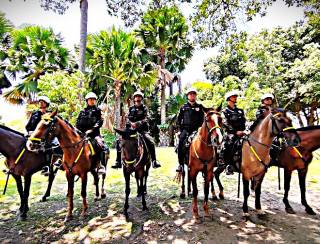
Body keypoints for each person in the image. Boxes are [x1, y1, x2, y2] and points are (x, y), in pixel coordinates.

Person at [111, 90, 161, 169]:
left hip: (142, 130)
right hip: (131, 130)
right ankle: (118, 161)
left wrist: (137, 123)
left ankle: (154, 161)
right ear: (134, 99)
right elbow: (127, 118)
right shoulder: (131, 109)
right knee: (119, 141)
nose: (137, 99)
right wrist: (130, 123)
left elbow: (147, 118)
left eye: (139, 97)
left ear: (141, 99)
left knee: (150, 142)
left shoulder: (144, 108)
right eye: (136, 97)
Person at [26, 95, 61, 175]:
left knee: (51, 145)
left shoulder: (49, 115)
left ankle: (47, 166)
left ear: (47, 104)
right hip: (33, 135)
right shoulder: (34, 114)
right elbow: (28, 126)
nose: (41, 103)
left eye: (43, 102)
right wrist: (30, 132)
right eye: (40, 102)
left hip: (45, 136)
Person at [76, 92, 108, 174]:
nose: (92, 101)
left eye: (93, 99)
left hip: (94, 135)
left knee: (101, 145)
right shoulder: (82, 111)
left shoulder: (98, 111)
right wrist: (80, 131)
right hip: (82, 135)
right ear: (87, 101)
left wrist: (92, 129)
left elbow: (99, 122)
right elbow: (78, 123)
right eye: (90, 99)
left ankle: (101, 165)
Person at [175, 88, 205, 173]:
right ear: (187, 96)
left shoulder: (200, 107)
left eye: (194, 94)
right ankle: (180, 164)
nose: (192, 95)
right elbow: (178, 120)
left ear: (196, 96)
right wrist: (179, 130)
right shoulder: (183, 107)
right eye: (190, 94)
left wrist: (201, 128)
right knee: (181, 143)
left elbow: (203, 119)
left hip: (197, 130)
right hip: (186, 129)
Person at [219, 90, 247, 175]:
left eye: (236, 96)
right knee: (228, 145)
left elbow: (244, 122)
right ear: (229, 99)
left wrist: (245, 131)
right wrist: (235, 132)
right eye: (233, 96)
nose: (235, 98)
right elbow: (225, 123)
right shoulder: (225, 111)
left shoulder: (240, 111)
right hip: (231, 134)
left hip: (242, 132)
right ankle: (228, 165)